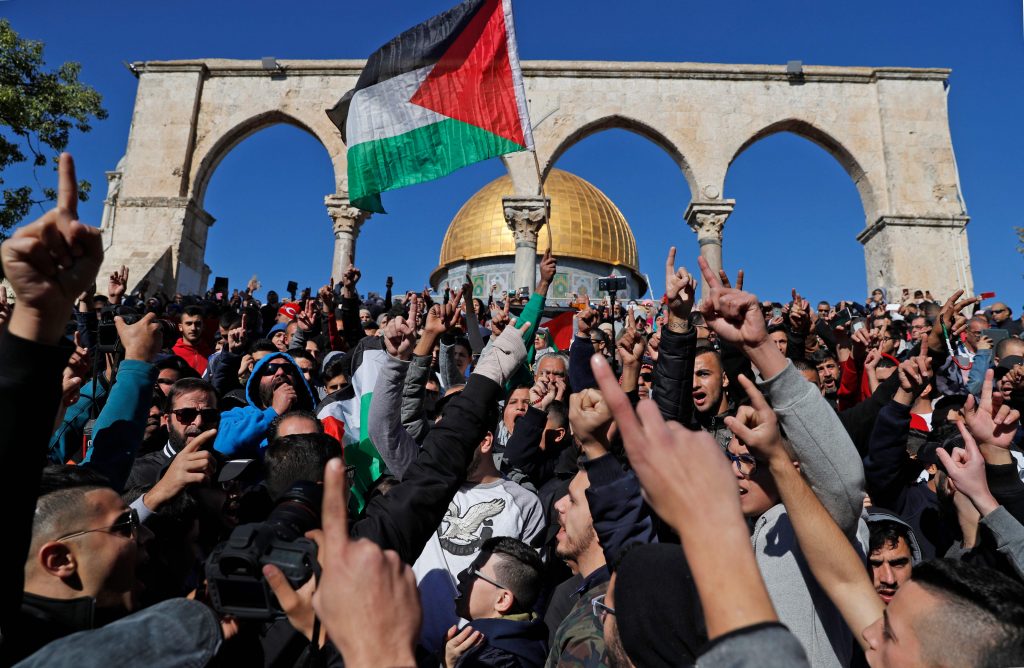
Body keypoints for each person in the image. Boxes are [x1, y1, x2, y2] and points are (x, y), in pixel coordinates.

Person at [445, 537, 548, 668]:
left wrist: (448, 664)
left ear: (502, 600)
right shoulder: (534, 640)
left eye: (474, 572)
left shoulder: (490, 659)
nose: (461, 575)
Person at [172, 305, 212, 375]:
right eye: (189, 324)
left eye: (197, 324)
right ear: (180, 327)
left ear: (203, 327)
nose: (193, 328)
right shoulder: (172, 354)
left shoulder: (211, 354)